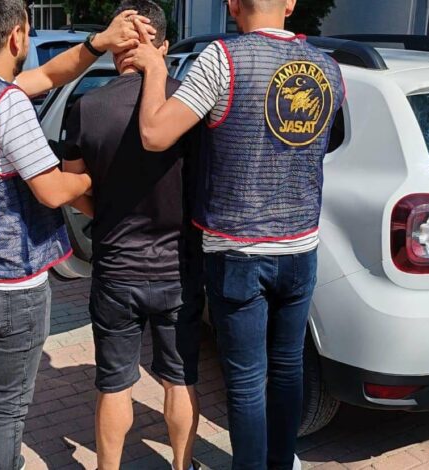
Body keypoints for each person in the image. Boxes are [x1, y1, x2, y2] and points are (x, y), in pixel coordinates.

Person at [123, 0, 345, 468]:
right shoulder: (328, 68)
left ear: (232, 5)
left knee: (246, 382)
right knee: (287, 370)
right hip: (300, 246)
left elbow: (155, 134)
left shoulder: (222, 58)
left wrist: (156, 69)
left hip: (237, 249)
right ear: (290, 3)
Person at [0, 1, 154, 468]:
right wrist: (98, 174)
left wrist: (99, 42)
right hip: (13, 282)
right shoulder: (8, 103)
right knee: (6, 411)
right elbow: (53, 190)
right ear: (17, 37)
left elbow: (51, 75)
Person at [61, 1, 204, 469]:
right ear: (163, 47)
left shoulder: (87, 108)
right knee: (179, 379)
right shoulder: (190, 105)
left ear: (115, 47)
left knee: (114, 384)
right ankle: (182, 465)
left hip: (115, 269)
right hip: (178, 269)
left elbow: (72, 188)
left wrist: (104, 209)